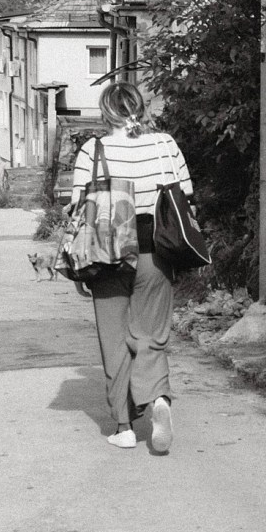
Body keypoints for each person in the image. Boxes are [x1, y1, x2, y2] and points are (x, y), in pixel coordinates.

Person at [71, 79, 193, 454]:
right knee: (151, 334)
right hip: (154, 250)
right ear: (140, 108)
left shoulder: (92, 150)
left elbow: (77, 210)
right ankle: (158, 400)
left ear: (106, 113)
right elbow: (186, 199)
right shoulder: (165, 145)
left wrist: (79, 268)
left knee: (114, 340)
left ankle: (124, 427)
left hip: (107, 254)